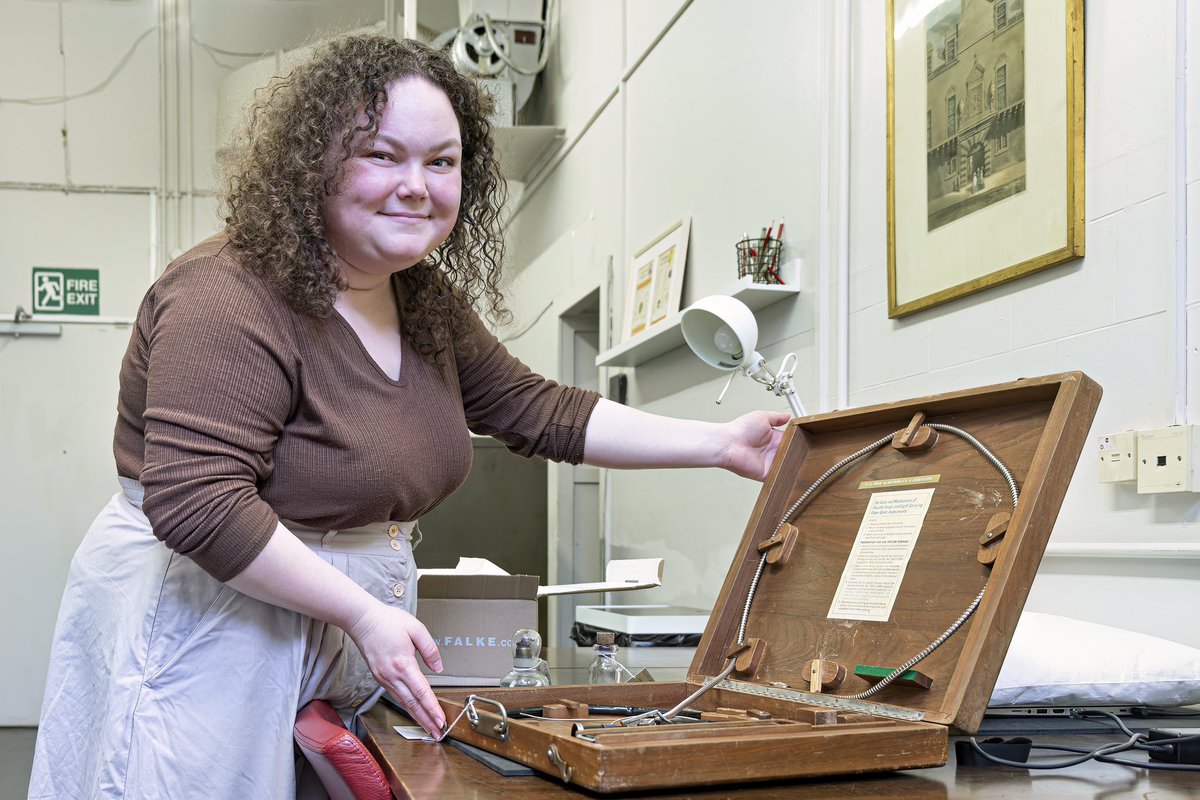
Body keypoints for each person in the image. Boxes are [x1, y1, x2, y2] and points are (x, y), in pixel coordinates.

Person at [28, 34, 790, 799]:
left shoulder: (422, 301)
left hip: (337, 617)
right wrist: (362, 612)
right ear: (311, 166)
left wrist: (721, 443)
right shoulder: (226, 293)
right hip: (211, 613)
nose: (417, 186)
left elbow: (540, 411)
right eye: (382, 156)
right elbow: (198, 503)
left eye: (442, 161)